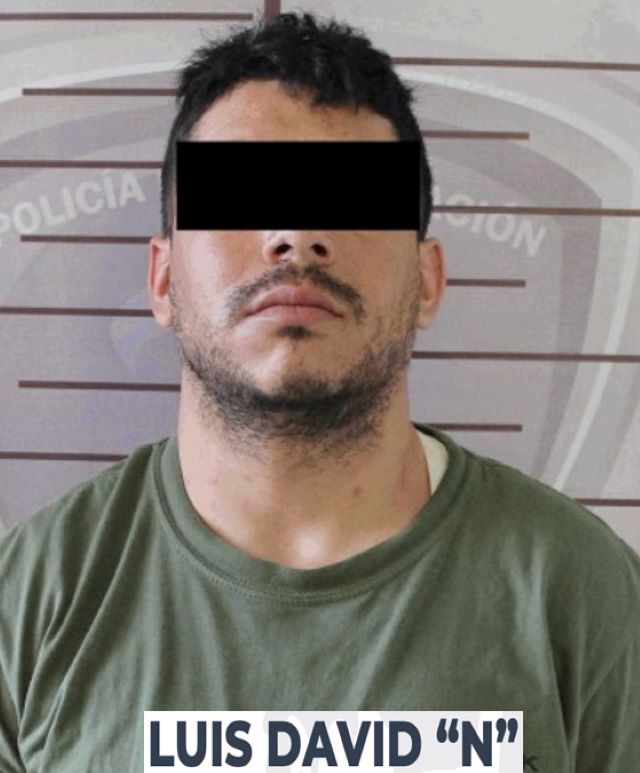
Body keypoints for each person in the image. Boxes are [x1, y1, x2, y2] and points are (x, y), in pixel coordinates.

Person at [1, 10, 639, 772]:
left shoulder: (586, 591)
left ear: (427, 280)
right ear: (163, 279)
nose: (296, 236)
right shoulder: (30, 600)